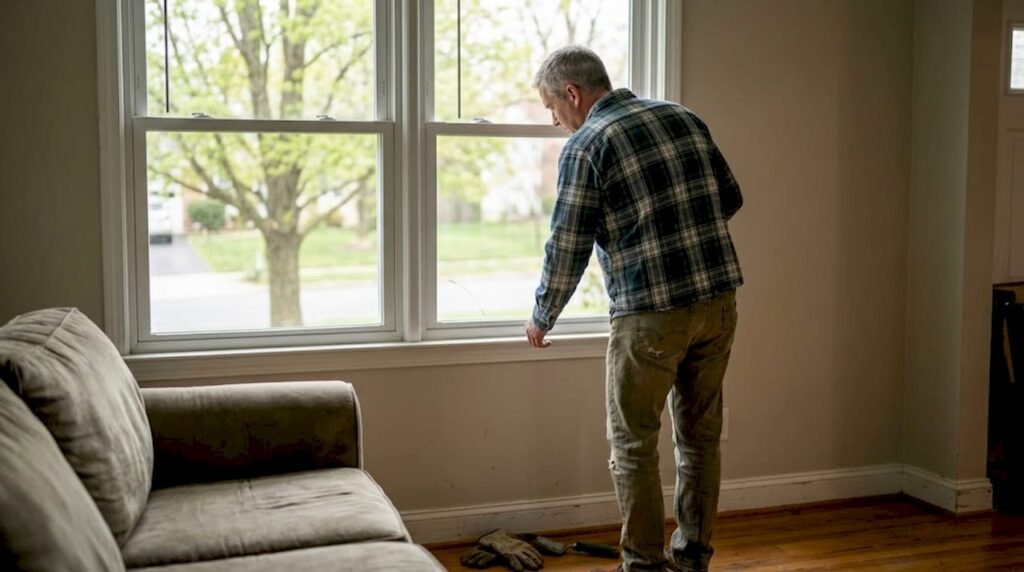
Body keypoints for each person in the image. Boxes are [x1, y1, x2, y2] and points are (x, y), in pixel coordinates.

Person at [524, 46, 743, 572]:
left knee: (634, 443)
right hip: (717, 303)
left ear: (572, 94)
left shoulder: (587, 144)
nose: (555, 121)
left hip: (650, 314)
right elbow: (729, 197)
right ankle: (692, 558)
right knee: (700, 438)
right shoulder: (683, 117)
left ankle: (643, 564)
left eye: (553, 109)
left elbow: (568, 243)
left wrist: (542, 313)